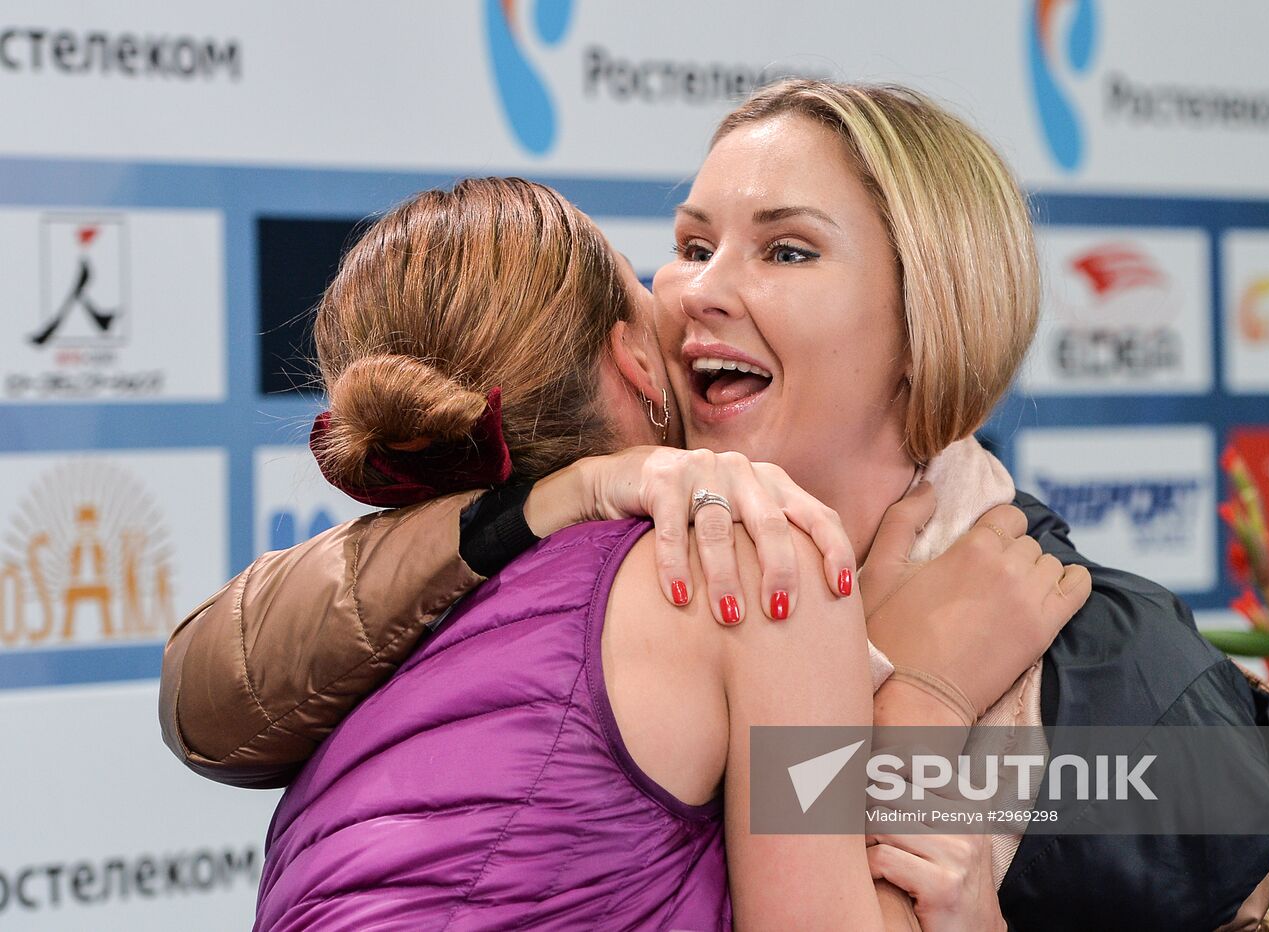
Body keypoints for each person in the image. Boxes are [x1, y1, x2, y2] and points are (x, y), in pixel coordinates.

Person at [162, 81, 1269, 930]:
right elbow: (209, 694)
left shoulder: (1119, 671)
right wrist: (904, 694)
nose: (702, 290)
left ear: (931, 323)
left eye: (787, 251)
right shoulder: (518, 544)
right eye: (691, 243)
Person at [243, 175, 1084, 930]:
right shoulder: (747, 561)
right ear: (637, 365)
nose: (696, 298)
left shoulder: (368, 618)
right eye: (680, 258)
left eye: (788, 251)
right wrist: (922, 697)